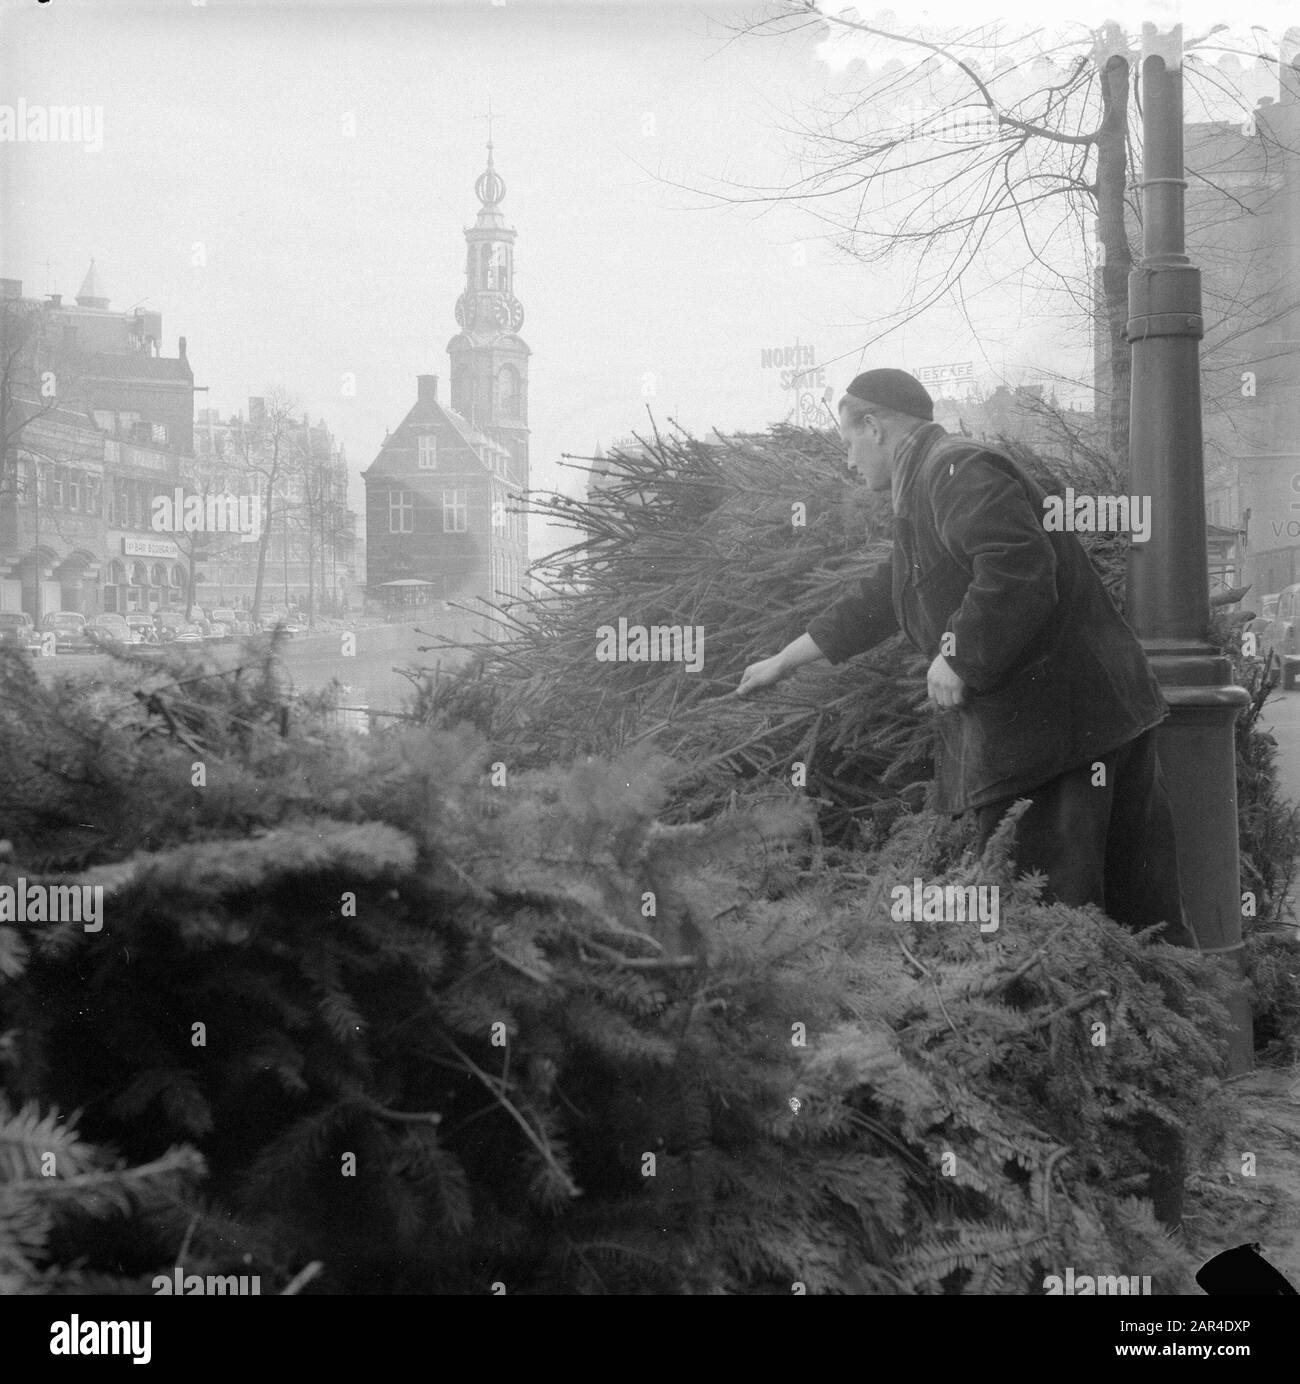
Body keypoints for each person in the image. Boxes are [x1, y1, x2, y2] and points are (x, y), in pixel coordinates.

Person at [736, 367, 1193, 948]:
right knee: (1142, 920)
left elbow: (1018, 568)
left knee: (1050, 930)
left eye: (848, 441)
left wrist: (957, 655)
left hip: (1057, 743)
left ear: (874, 427)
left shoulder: (954, 469)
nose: (848, 460)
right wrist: (785, 659)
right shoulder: (930, 480)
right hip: (1089, 723)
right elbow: (883, 593)